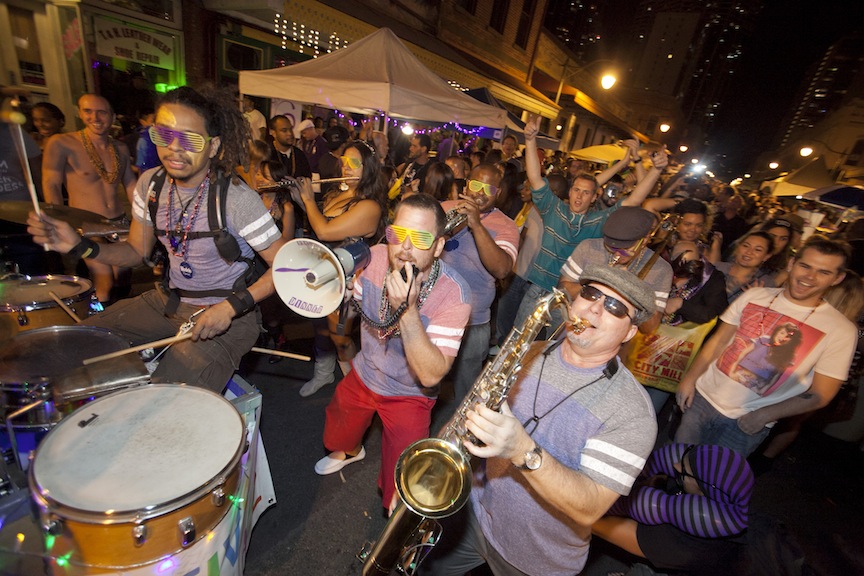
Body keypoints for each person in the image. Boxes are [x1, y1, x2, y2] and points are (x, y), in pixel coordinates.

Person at [28, 85, 285, 393]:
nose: (174, 149)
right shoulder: (150, 185)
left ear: (214, 146)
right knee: (77, 342)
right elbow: (136, 251)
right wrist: (79, 246)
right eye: (164, 135)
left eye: (189, 139)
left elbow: (285, 268)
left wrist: (230, 307)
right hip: (170, 301)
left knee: (166, 396)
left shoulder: (237, 199)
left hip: (228, 314)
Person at [423, 265, 658, 576]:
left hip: (537, 559)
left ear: (629, 333)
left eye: (615, 307)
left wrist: (522, 450)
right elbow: (470, 410)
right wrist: (432, 472)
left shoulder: (633, 412)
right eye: (590, 293)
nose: (595, 308)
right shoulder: (528, 352)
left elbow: (590, 507)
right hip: (474, 516)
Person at [313, 193, 471, 513]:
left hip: (410, 392)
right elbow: (353, 304)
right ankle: (349, 450)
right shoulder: (372, 259)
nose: (405, 247)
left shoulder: (455, 296)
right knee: (340, 424)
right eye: (398, 234)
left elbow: (431, 373)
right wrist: (340, 294)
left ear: (439, 246)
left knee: (404, 476)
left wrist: (408, 311)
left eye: (421, 238)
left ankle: (391, 505)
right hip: (366, 371)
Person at [675, 236, 857, 456]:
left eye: (824, 272)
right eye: (805, 266)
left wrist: (765, 415)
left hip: (748, 420)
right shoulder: (755, 296)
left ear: (838, 278)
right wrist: (689, 379)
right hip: (702, 399)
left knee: (708, 484)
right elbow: (719, 342)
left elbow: (821, 394)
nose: (810, 276)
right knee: (676, 463)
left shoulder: (841, 329)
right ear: (791, 264)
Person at [513, 115, 668, 336]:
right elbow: (535, 177)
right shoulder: (553, 209)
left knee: (552, 348)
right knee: (519, 337)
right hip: (537, 289)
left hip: (571, 297)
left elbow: (635, 200)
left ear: (594, 198)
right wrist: (530, 140)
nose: (579, 196)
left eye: (586, 193)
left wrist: (656, 170)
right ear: (569, 191)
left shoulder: (599, 221)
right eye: (576, 190)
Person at [295, 140, 388, 396]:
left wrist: (308, 199)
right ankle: (324, 374)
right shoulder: (337, 193)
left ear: (368, 167)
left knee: (340, 337)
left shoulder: (369, 206)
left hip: (348, 280)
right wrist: (300, 199)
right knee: (321, 327)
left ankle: (355, 386)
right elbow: (317, 223)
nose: (346, 167)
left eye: (354, 163)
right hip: (323, 271)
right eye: (344, 161)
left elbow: (325, 230)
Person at [594, 443, 754, 575]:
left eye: (685, 471)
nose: (676, 466)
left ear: (702, 491)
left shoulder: (681, 541)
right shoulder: (718, 497)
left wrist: (581, 507)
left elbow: (604, 527)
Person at [42, 93, 138, 304]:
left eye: (102, 112)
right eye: (88, 111)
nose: (95, 117)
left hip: (119, 223)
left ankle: (119, 323)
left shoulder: (119, 147)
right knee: (104, 281)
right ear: (80, 113)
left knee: (123, 280)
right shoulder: (62, 143)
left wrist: (143, 217)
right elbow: (51, 184)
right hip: (87, 225)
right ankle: (96, 325)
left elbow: (130, 184)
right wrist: (56, 222)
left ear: (112, 116)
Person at [440, 163, 519, 402]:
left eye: (489, 188)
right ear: (466, 184)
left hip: (473, 322)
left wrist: (476, 224)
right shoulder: (444, 208)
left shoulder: (506, 226)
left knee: (465, 392)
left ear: (499, 193)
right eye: (475, 184)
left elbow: (503, 269)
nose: (479, 193)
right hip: (434, 312)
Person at [559, 206, 673, 334]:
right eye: (611, 248)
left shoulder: (661, 270)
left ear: (645, 239)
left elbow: (650, 328)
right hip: (573, 326)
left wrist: (629, 290)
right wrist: (601, 286)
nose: (617, 254)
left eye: (625, 248)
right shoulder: (589, 247)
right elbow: (563, 288)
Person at [714, 231, 775, 303]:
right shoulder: (716, 267)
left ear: (766, 256)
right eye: (745, 246)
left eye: (757, 250)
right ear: (738, 247)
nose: (749, 252)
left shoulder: (766, 283)